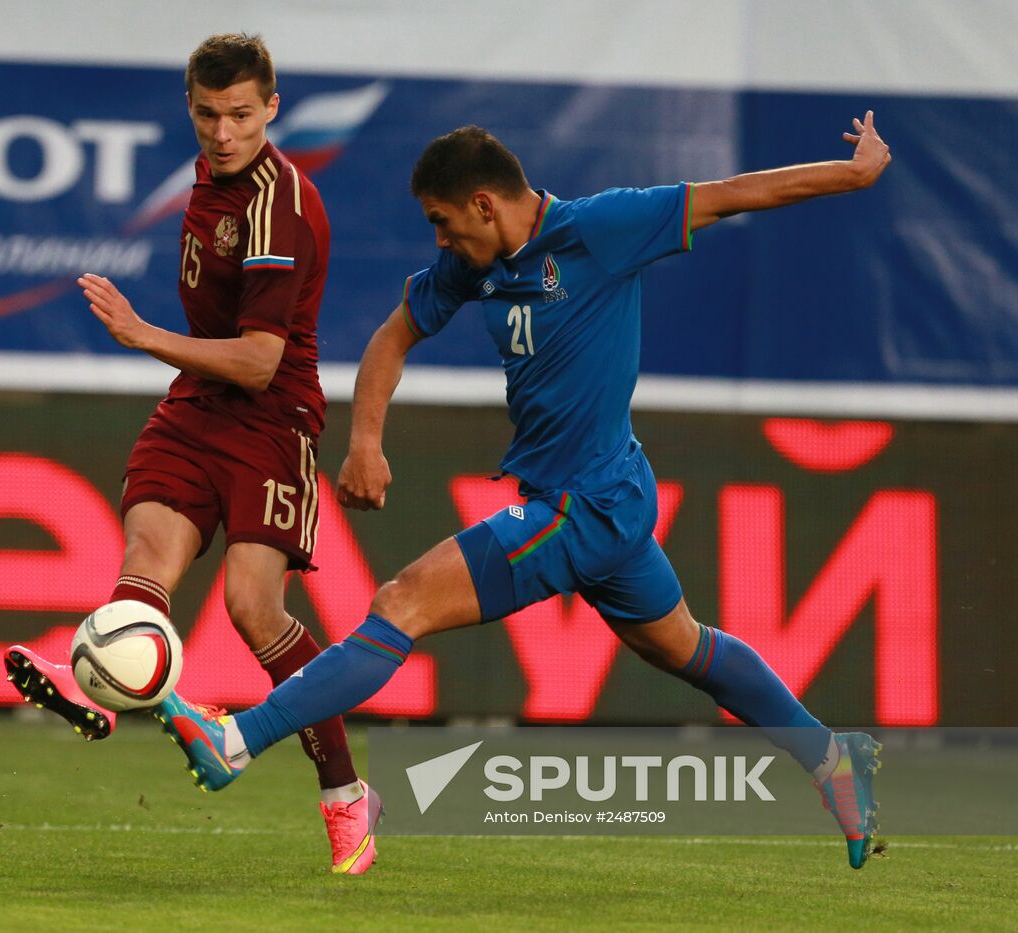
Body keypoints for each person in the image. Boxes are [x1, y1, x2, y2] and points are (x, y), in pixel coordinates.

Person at [154, 112, 894, 871]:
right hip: (608, 501)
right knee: (685, 646)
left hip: (584, 505)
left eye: (442, 222)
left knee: (399, 602)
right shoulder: (476, 264)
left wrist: (854, 174)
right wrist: (367, 440)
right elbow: (393, 335)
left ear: (483, 203)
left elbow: (734, 193)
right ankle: (833, 756)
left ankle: (236, 738)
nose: (439, 240)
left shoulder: (603, 227)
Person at [3, 33, 380, 876]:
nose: (222, 132)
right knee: (144, 557)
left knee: (252, 606)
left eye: (241, 115)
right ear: (191, 109)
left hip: (269, 420)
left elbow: (258, 359)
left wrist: (142, 335)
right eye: (208, 114)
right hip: (194, 409)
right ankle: (91, 677)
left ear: (271, 109)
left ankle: (347, 794)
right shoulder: (207, 183)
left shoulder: (277, 205)